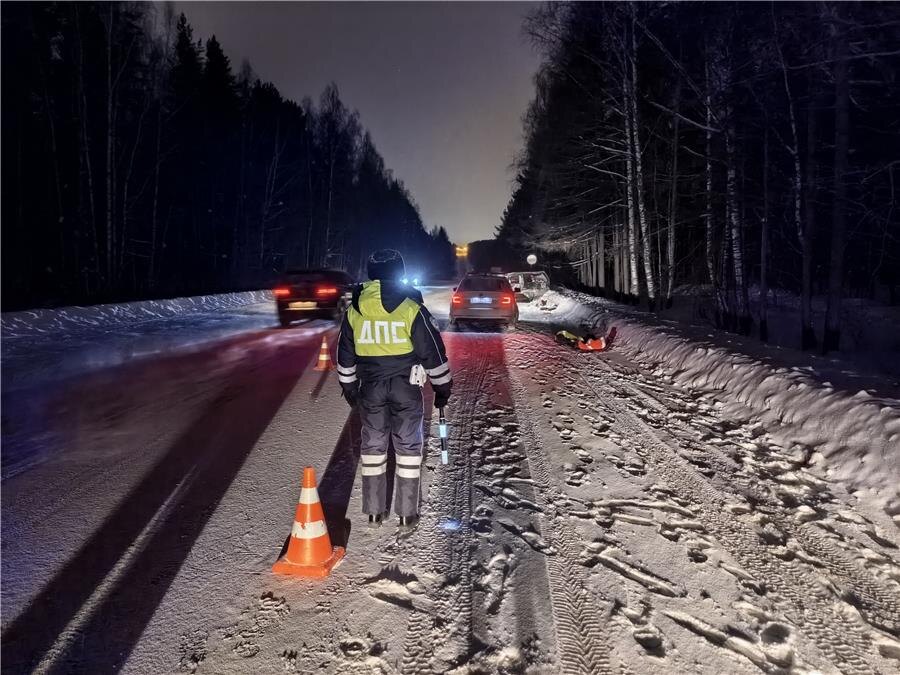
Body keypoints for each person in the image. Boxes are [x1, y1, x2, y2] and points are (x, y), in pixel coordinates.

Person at [337, 249, 452, 531]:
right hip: (406, 387)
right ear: (399, 272)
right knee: (409, 447)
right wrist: (442, 387)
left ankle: (375, 512)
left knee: (373, 447)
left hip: (370, 388)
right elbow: (432, 353)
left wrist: (349, 387)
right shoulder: (411, 308)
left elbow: (344, 355)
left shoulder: (356, 309)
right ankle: (406, 512)